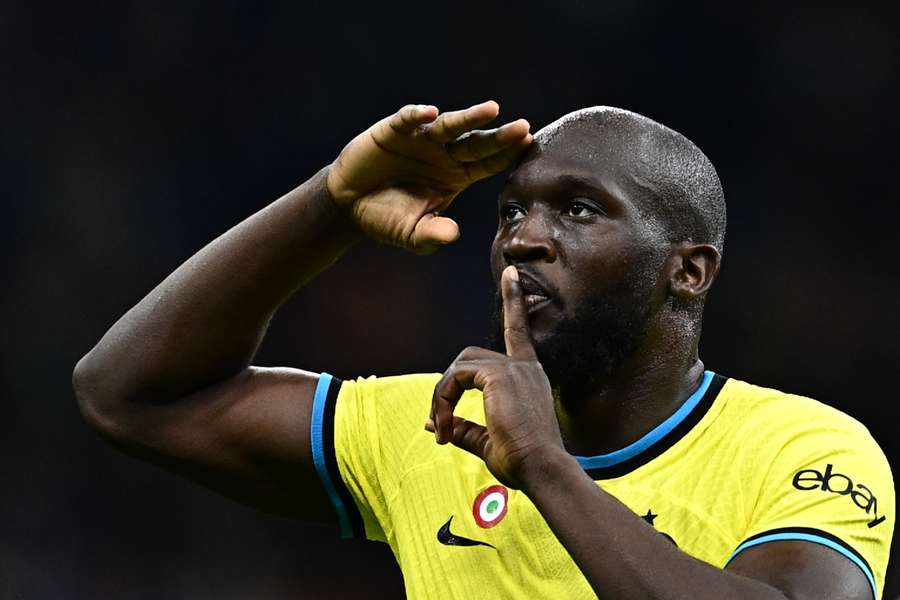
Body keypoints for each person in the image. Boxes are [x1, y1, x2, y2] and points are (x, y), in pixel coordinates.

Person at [73, 101, 894, 599]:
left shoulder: (803, 447)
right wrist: (330, 203)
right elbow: (130, 394)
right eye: (509, 214)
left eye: (576, 211)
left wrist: (544, 465)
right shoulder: (439, 424)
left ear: (686, 270)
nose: (524, 240)